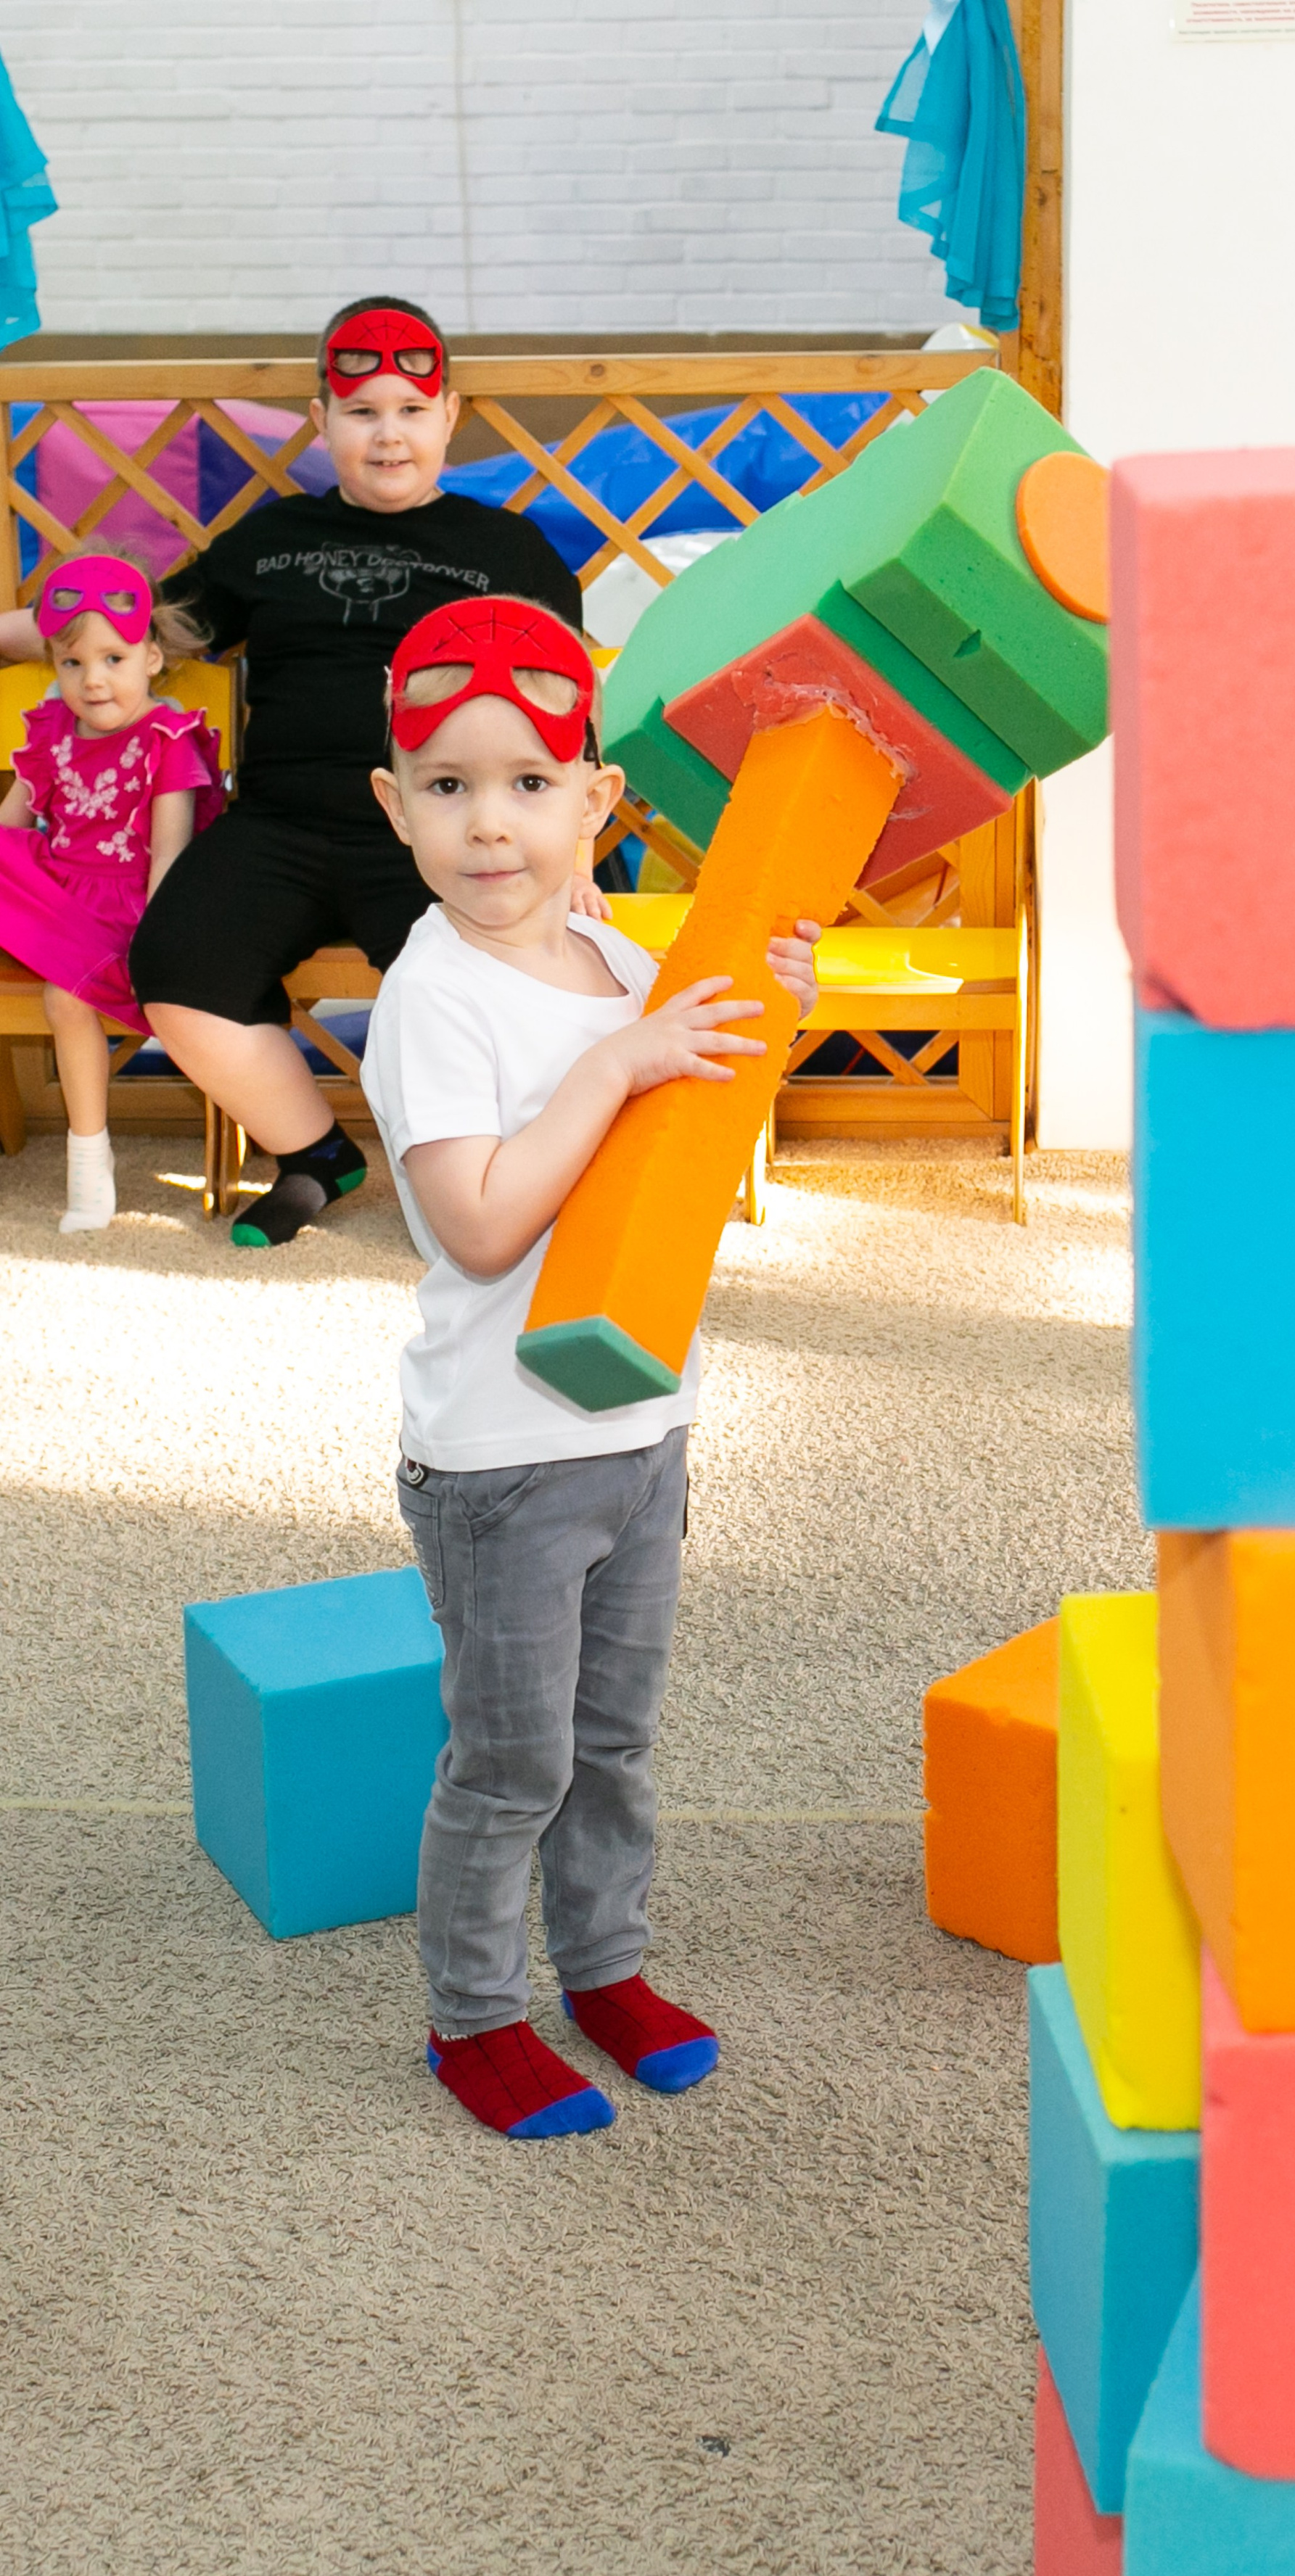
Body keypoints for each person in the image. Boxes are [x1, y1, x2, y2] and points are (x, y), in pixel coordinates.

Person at [360, 593, 821, 2139]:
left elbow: (686, 1146)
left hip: (641, 1425)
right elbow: (483, 1225)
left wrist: (772, 1032)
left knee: (613, 1739)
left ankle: (603, 1963)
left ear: (597, 801)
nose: (490, 825)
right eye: (446, 785)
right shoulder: (434, 996)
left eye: (529, 783)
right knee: (511, 1759)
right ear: (393, 803)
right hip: (501, 1460)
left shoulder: (623, 955)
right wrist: (615, 1063)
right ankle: (473, 2015)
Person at [36, 296, 584, 1249]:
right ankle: (315, 1153)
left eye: (411, 412)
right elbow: (123, 631)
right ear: (320, 419)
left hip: (432, 832)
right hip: (277, 824)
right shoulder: (269, 539)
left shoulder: (508, 552)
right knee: (172, 968)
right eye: (362, 412)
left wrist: (571, 848)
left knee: (473, 982)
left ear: (450, 414)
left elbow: (573, 715)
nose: (387, 435)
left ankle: (487, 1181)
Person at [0, 553, 221, 1231]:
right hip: (55, 888)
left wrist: (159, 942)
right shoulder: (50, 734)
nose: (92, 681)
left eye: (114, 659)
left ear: (152, 657)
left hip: (128, 903)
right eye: (72, 664)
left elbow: (170, 854)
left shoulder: (168, 740)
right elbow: (10, 823)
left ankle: (88, 1162)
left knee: (65, 997)